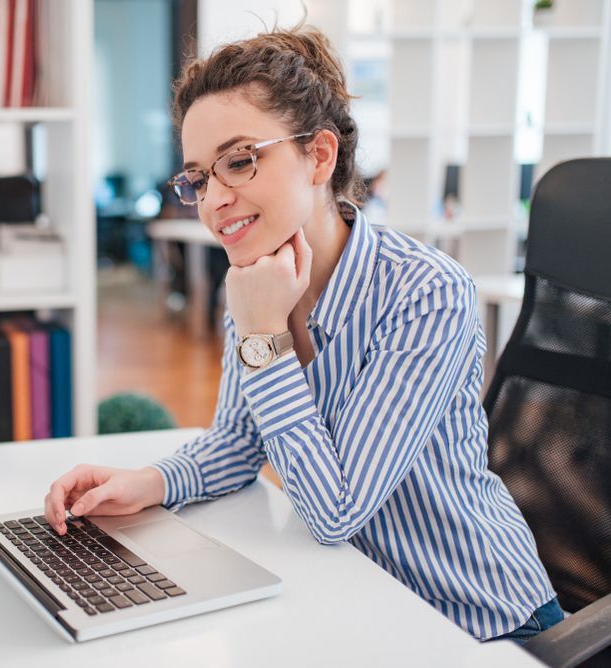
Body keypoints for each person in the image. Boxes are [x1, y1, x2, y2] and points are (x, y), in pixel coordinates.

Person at [44, 24, 562, 643]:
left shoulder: (426, 294)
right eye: (200, 179)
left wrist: (264, 334)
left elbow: (334, 512)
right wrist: (145, 483)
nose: (213, 201)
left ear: (319, 155)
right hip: (360, 601)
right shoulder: (258, 282)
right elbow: (238, 442)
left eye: (239, 162)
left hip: (479, 624)